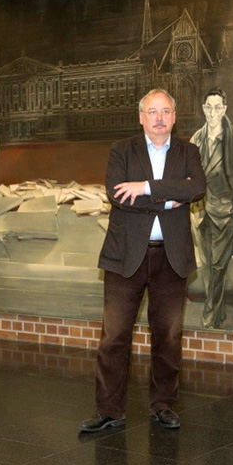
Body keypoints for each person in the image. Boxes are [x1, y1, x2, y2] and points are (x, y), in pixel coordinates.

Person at [79, 89, 206, 433]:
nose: (159, 118)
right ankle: (109, 410)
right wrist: (169, 197)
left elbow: (196, 189)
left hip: (172, 258)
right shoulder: (122, 150)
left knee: (168, 337)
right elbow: (118, 195)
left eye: (166, 111)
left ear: (175, 117)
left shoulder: (188, 151)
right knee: (114, 336)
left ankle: (163, 406)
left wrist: (148, 188)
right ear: (141, 117)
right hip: (125, 257)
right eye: (152, 112)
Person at [190, 87, 233, 329]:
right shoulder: (196, 138)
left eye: (218, 107)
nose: (213, 112)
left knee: (218, 267)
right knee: (207, 267)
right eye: (209, 107)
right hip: (201, 213)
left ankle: (210, 317)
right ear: (204, 109)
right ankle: (218, 311)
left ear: (224, 109)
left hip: (226, 214)